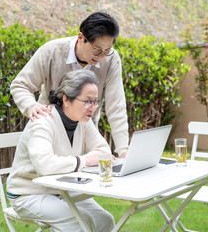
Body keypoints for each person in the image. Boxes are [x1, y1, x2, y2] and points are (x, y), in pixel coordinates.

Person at [7, 70, 115, 232]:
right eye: (87, 101)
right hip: (29, 194)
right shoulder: (42, 122)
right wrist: (83, 161)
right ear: (66, 99)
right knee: (81, 222)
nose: (92, 107)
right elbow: (45, 165)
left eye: (96, 102)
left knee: (105, 221)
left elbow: (103, 151)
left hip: (62, 191)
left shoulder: (83, 120)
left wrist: (87, 160)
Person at [11, 11, 129, 158]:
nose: (101, 56)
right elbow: (20, 84)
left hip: (85, 132)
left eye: (107, 51)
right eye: (97, 50)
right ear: (81, 38)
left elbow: (116, 107)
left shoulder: (111, 60)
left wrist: (123, 150)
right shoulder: (51, 51)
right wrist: (32, 107)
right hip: (50, 128)